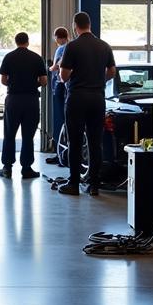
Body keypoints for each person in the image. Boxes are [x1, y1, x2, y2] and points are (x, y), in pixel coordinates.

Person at [58, 12, 116, 196]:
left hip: (77, 98)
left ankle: (74, 184)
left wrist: (74, 77)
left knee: (75, 141)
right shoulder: (104, 46)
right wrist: (99, 81)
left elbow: (63, 75)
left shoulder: (72, 46)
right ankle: (94, 185)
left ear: (75, 26)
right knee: (94, 142)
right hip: (97, 98)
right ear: (90, 25)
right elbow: (112, 71)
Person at [0, 32, 48, 180]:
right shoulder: (36, 58)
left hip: (13, 100)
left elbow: (3, 80)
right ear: (27, 42)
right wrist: (33, 84)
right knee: (28, 136)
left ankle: (7, 168)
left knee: (9, 134)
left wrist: (14, 84)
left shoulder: (9, 57)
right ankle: (26, 169)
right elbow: (44, 81)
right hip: (31, 100)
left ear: (16, 41)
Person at [45, 26, 69, 165]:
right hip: (67, 88)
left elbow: (56, 67)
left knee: (60, 120)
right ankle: (63, 154)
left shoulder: (61, 49)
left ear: (58, 37)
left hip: (59, 86)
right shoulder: (71, 47)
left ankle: (60, 153)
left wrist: (48, 68)